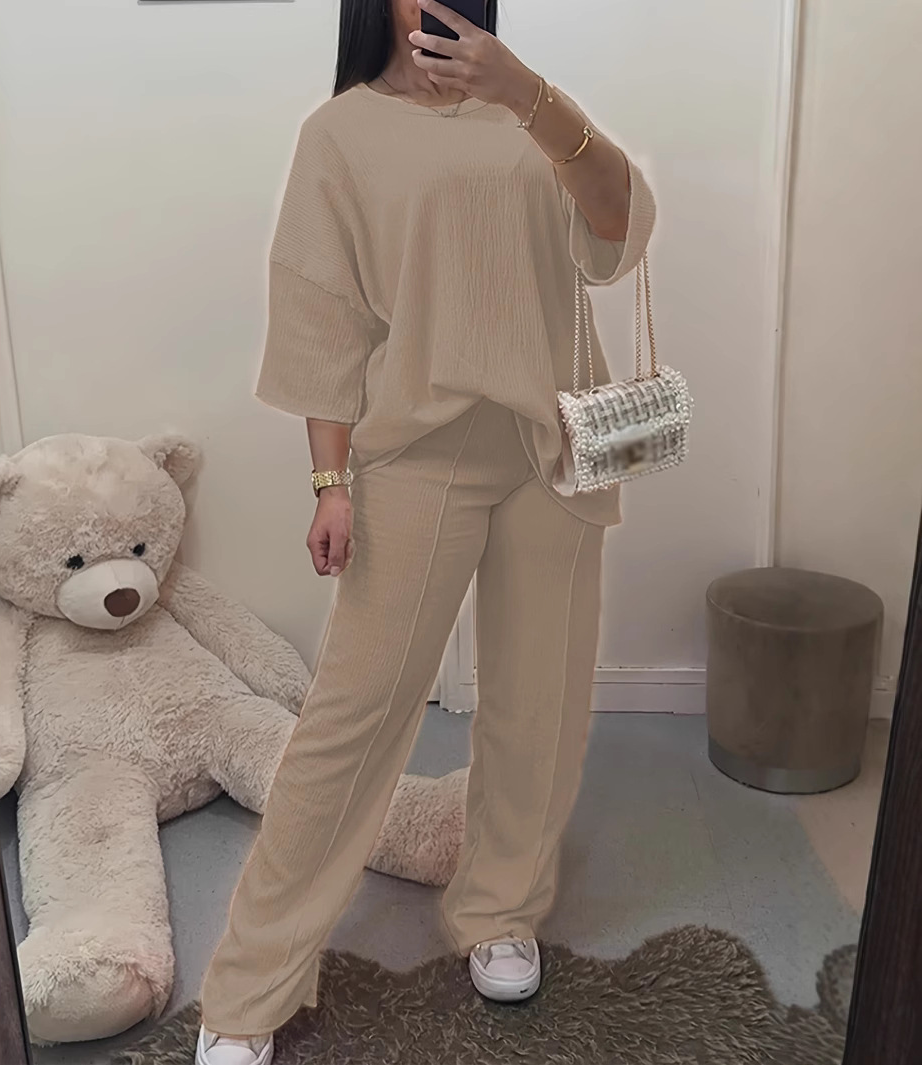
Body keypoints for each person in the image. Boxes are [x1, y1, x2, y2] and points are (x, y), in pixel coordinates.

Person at [196, 0, 654, 1060]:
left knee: (539, 703)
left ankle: (501, 909)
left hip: (555, 446)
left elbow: (618, 230)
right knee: (352, 717)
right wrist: (330, 481)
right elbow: (322, 321)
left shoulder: (530, 111)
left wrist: (525, 93)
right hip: (417, 453)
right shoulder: (340, 133)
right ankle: (249, 988)